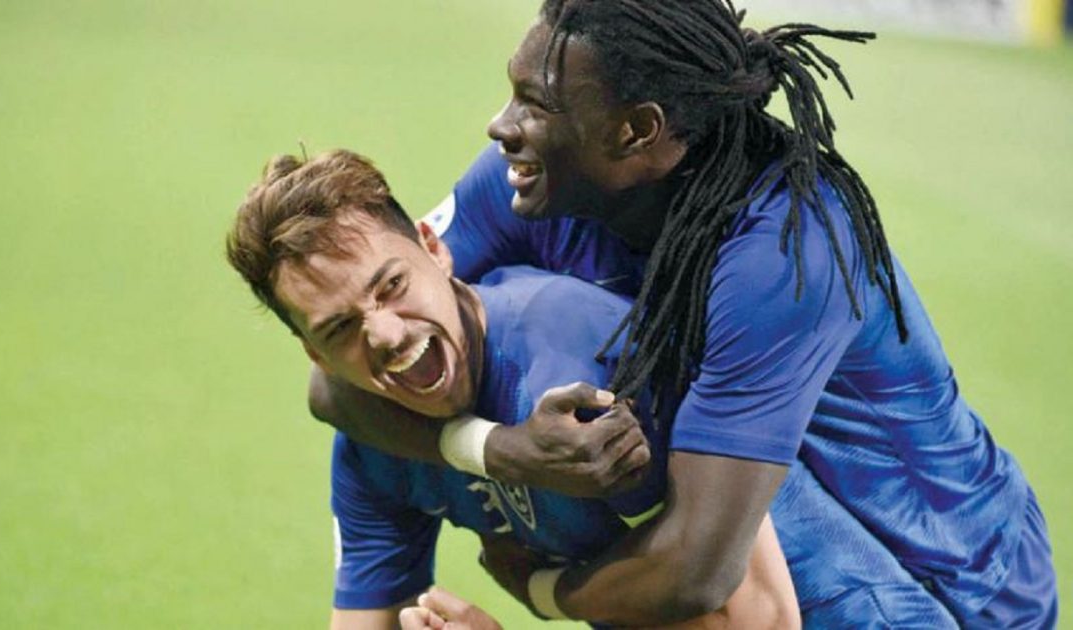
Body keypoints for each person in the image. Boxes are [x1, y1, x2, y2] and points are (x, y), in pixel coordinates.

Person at [307, 0, 1056, 627]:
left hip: (956, 584)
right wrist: (498, 451)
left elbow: (699, 571)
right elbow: (338, 382)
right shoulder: (524, 182)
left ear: (636, 130)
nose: (501, 126)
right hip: (783, 547)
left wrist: (542, 590)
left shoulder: (782, 249)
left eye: (536, 103)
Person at [224, 149, 800, 628]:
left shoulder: (582, 369)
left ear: (434, 247)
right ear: (315, 355)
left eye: (392, 285)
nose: (387, 335)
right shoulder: (376, 444)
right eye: (339, 329)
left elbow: (754, 618)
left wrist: (544, 594)